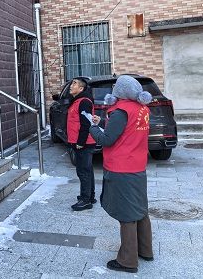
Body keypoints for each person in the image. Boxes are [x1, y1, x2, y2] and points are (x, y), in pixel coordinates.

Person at [84, 75, 154, 273]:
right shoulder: (142, 108)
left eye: (116, 86)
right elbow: (126, 131)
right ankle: (145, 250)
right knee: (140, 209)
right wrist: (103, 122)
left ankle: (127, 261)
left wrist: (93, 127)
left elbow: (106, 140)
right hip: (137, 165)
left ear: (121, 91)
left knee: (126, 213)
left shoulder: (121, 110)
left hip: (121, 167)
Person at [66, 77, 97, 211]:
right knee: (87, 169)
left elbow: (86, 123)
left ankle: (85, 200)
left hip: (84, 142)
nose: (71, 86)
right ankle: (90, 196)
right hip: (80, 141)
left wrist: (80, 142)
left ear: (81, 88)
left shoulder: (84, 102)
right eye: (71, 83)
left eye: (74, 84)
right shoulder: (77, 101)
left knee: (83, 171)